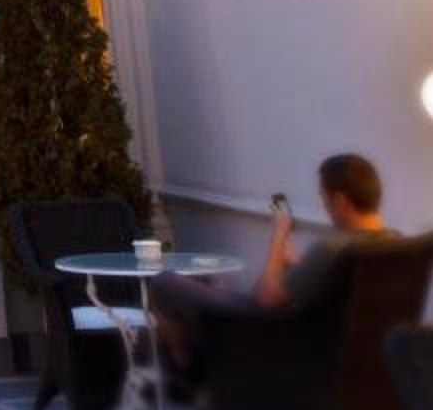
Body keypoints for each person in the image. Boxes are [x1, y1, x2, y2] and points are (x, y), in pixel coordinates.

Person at [153, 151, 393, 372]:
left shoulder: (333, 248)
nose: (325, 208)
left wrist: (280, 233)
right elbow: (331, 284)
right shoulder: (395, 246)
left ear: (340, 201)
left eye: (325, 199)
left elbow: (266, 298)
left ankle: (187, 369)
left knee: (164, 282)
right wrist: (297, 264)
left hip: (271, 333)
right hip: (346, 352)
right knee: (207, 283)